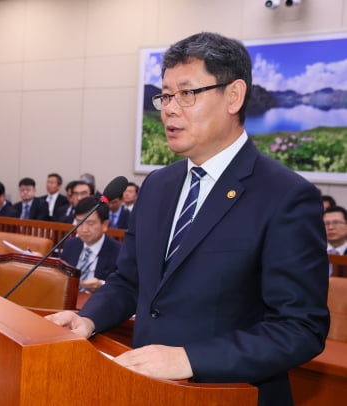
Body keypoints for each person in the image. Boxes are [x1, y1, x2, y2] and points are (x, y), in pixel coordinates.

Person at [46, 32, 329, 406]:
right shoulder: (158, 185)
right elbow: (130, 280)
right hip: (146, 390)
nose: (169, 109)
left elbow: (299, 328)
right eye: (165, 94)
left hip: (228, 395)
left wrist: (188, 359)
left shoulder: (286, 196)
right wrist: (88, 319)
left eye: (187, 93)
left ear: (234, 96)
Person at [60, 196, 120, 293]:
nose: (84, 229)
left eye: (90, 223)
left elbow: (123, 287)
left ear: (105, 225)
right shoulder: (70, 245)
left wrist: (102, 285)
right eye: (79, 222)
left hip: (100, 303)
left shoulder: (118, 251)